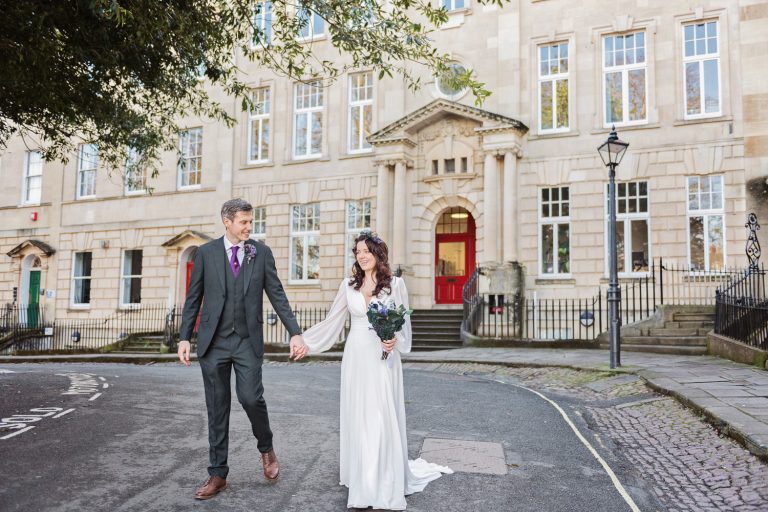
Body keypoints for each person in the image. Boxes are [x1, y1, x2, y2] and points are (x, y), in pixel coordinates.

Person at [298, 232, 452, 510]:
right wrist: (305, 342)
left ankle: (382, 478)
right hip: (356, 356)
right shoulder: (348, 285)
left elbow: (404, 328)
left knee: (381, 414)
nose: (362, 255)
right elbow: (332, 321)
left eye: (367, 250)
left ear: (379, 254)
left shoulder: (395, 285)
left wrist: (394, 340)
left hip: (384, 358)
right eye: (357, 252)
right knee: (360, 415)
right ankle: (363, 477)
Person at [177, 198, 308, 500]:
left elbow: (277, 293)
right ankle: (217, 473)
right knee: (217, 407)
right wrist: (185, 337)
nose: (250, 227)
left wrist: (295, 333)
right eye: (244, 222)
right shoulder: (207, 253)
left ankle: (266, 448)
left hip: (247, 340)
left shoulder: (260, 253)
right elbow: (193, 297)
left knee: (250, 397)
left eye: (251, 222)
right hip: (213, 343)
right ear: (227, 221)